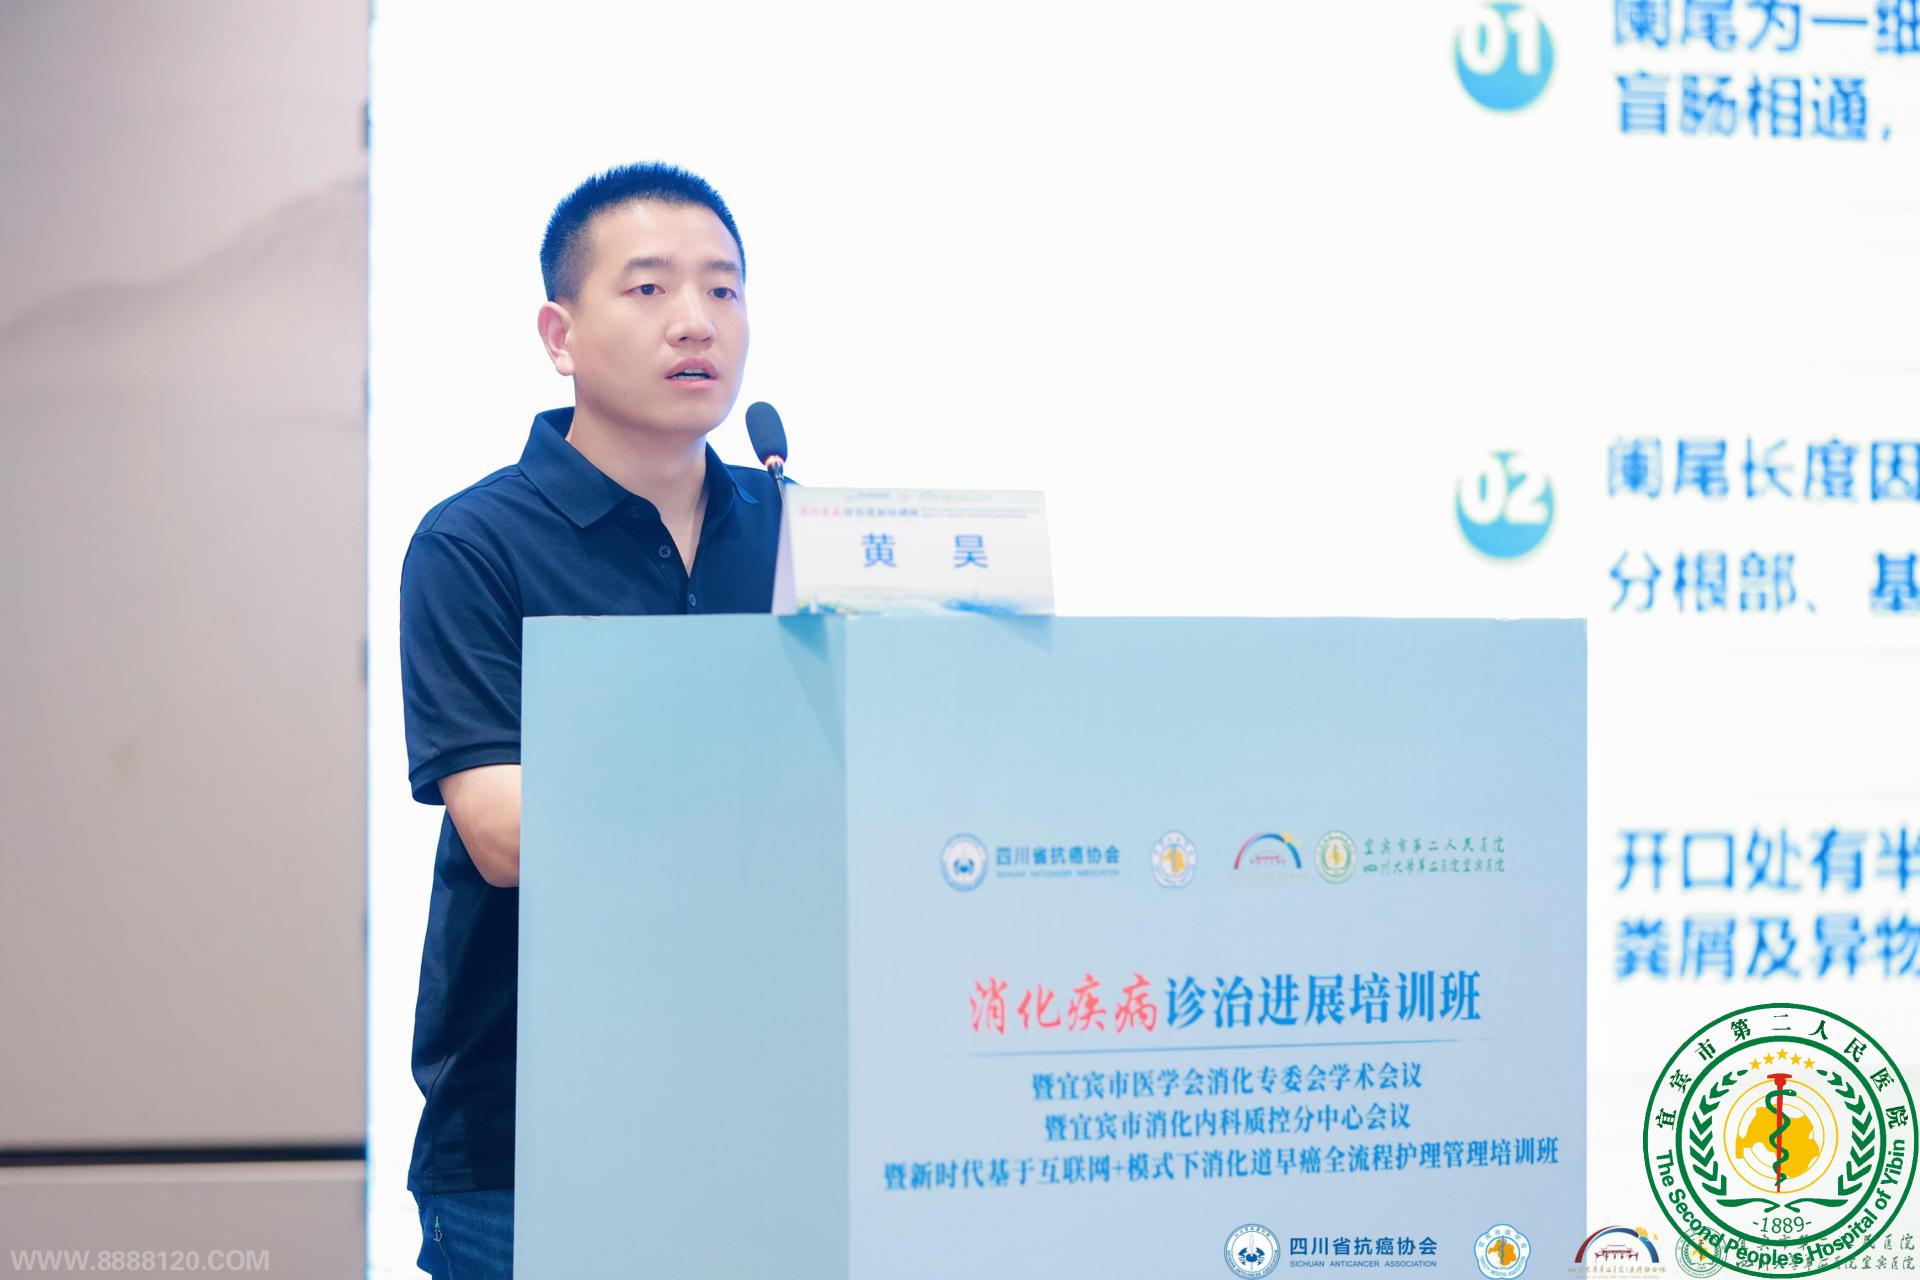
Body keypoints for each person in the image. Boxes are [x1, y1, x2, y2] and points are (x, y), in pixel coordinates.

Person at [397, 162, 778, 1278]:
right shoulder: (473, 543)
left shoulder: (801, 533)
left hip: (771, 1109)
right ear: (558, 335)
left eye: (723, 288)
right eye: (650, 289)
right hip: (528, 1136)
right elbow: (505, 831)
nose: (697, 322)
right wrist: (763, 791)